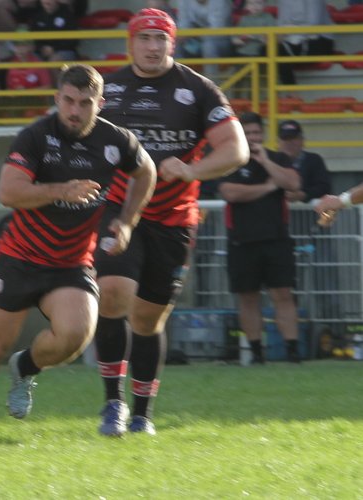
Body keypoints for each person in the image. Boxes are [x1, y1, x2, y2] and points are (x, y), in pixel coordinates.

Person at [0, 64, 157, 447]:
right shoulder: (36, 137)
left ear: (100, 104)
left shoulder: (116, 140)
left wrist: (126, 221)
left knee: (75, 336)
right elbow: (9, 192)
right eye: (68, 101)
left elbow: (146, 172)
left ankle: (26, 366)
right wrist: (61, 190)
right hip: (20, 259)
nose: (75, 110)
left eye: (84, 103)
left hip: (71, 263)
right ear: (57, 98)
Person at [94, 8, 248, 437]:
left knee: (147, 320)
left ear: (172, 43)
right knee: (112, 294)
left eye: (160, 38)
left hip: (174, 217)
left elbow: (236, 150)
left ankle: (142, 413)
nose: (152, 46)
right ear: (130, 43)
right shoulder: (108, 89)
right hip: (119, 209)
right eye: (144, 38)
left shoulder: (198, 90)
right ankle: (112, 403)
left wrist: (192, 170)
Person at [218, 112, 301, 364]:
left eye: (256, 132)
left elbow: (292, 183)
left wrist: (266, 162)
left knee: (283, 294)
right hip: (242, 241)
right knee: (248, 297)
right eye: (248, 133)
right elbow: (230, 192)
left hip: (277, 239)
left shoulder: (278, 158)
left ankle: (292, 351)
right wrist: (268, 187)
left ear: (263, 134)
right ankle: (256, 352)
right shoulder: (230, 160)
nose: (253, 137)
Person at [276, 0, 334, 86]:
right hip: (292, 39)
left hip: (319, 40)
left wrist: (290, 31)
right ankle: (287, 90)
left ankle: (292, 92)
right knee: (268, 50)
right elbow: (281, 26)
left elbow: (313, 26)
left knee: (280, 52)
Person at [278, 120, 332, 203]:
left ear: (302, 140)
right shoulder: (271, 161)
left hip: (308, 210)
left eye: (293, 138)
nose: (289, 142)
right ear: (279, 142)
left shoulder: (314, 160)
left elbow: (325, 188)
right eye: (285, 139)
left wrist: (303, 194)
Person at [175, 0, 233, 78]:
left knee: (209, 46)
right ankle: (177, 80)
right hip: (195, 39)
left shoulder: (221, 2)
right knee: (174, 44)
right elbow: (183, 24)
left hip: (220, 42)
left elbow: (216, 29)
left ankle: (211, 82)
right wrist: (183, 35)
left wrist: (192, 34)